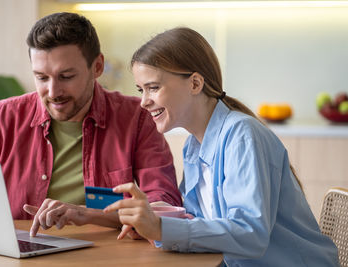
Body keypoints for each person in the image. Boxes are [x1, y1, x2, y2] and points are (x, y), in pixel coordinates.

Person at [104, 27, 339, 266]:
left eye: (153, 87)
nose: (143, 102)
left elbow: (250, 234)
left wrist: (162, 228)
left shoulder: (242, 136)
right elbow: (201, 220)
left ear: (195, 83)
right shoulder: (193, 146)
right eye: (140, 90)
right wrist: (157, 215)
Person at [0, 12, 181, 237]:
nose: (53, 92)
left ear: (97, 67)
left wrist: (89, 214)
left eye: (66, 76)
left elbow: (164, 207)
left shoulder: (136, 118)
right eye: (41, 77)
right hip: (21, 250)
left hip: (107, 255)